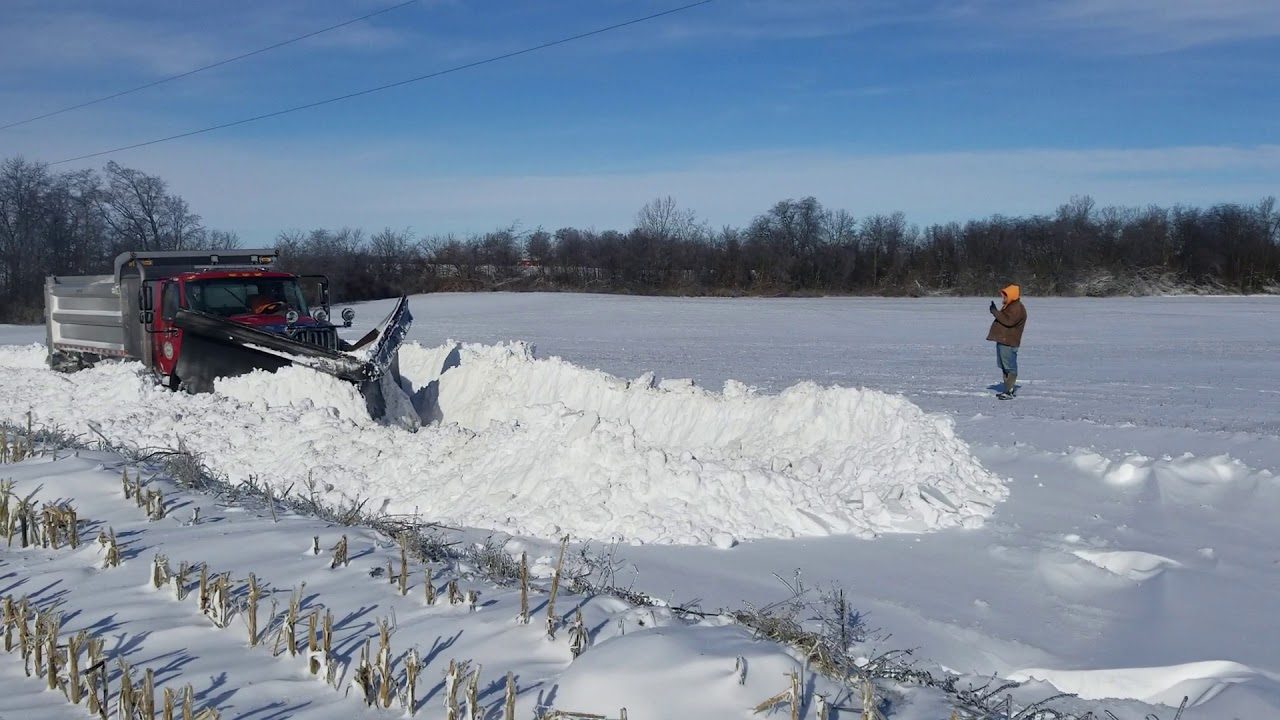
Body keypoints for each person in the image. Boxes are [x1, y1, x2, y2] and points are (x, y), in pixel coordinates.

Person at [986, 284, 1027, 399]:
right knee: (1004, 366)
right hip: (1003, 341)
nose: (1003, 297)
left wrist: (995, 312)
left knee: (1009, 366)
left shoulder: (1017, 307)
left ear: (1012, 295)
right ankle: (1007, 389)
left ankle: (1009, 391)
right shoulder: (1010, 306)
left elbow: (1009, 321)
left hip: (1008, 342)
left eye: (1005, 295)